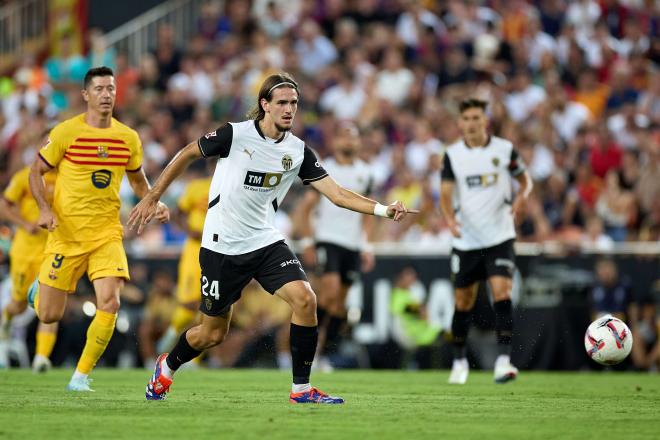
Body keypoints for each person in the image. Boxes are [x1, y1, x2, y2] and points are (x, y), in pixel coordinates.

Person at [128, 72, 415, 404]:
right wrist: (153, 195)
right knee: (212, 334)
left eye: (294, 103)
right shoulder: (235, 134)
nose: (289, 109)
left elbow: (336, 194)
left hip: (265, 241)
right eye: (282, 102)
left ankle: (301, 389)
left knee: (306, 299)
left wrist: (383, 209)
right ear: (264, 104)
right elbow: (188, 153)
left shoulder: (298, 151)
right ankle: (168, 365)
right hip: (222, 246)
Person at [27, 66, 169, 391]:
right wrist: (45, 209)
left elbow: (136, 179)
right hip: (66, 235)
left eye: (111, 89)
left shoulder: (128, 137)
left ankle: (80, 377)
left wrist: (153, 201)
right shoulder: (66, 132)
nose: (106, 95)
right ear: (86, 95)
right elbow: (37, 171)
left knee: (110, 302)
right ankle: (38, 289)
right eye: (100, 89)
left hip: (107, 233)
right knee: (48, 315)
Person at [440, 98, 532, 384]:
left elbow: (526, 181)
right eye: (466, 118)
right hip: (466, 239)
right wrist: (449, 219)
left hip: (499, 236)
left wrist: (520, 198)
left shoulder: (504, 150)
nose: (470, 124)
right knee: (463, 301)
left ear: (485, 121)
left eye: (476, 118)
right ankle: (459, 361)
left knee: (502, 292)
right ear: (459, 123)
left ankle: (504, 361)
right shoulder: (452, 154)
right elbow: (445, 193)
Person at [297, 120, 375, 371]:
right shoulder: (324, 168)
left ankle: (324, 354)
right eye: (344, 136)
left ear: (358, 142)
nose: (349, 141)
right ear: (336, 141)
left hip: (352, 244)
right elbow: (305, 208)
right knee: (328, 294)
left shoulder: (367, 172)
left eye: (353, 137)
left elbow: (367, 214)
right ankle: (310, 352)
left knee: (338, 304)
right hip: (328, 239)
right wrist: (309, 241)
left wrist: (366, 245)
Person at [0, 164, 58, 372]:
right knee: (19, 305)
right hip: (25, 252)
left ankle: (41, 358)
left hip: (53, 251)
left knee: (51, 305)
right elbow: (4, 205)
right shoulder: (26, 175)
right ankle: (6, 318)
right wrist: (23, 223)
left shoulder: (68, 175)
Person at [156, 166, 212, 353]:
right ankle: (172, 333)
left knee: (207, 305)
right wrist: (190, 230)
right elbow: (179, 212)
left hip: (219, 250)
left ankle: (193, 359)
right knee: (189, 302)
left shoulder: (234, 187)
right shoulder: (197, 187)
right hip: (194, 250)